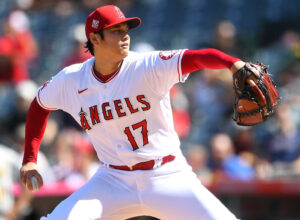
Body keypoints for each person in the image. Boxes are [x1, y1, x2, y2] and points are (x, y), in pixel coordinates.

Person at [20, 5, 246, 220]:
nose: (125, 35)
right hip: (112, 180)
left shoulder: (146, 66)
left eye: (125, 30)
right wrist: (30, 159)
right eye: (116, 31)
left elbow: (196, 57)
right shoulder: (71, 79)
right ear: (95, 39)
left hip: (166, 174)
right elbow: (39, 105)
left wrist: (234, 64)